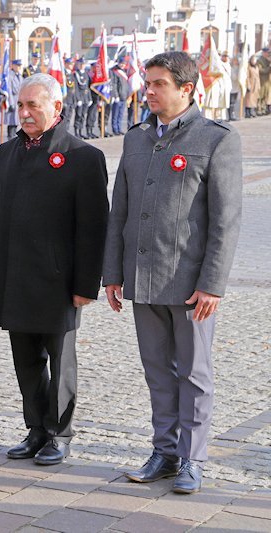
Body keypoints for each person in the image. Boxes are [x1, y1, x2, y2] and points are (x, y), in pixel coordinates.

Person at [103, 51, 242, 495]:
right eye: (148, 83)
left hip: (189, 286)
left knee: (195, 375)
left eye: (159, 84)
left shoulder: (216, 139)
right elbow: (119, 210)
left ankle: (191, 458)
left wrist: (212, 284)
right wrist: (112, 273)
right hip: (143, 279)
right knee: (157, 371)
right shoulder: (137, 138)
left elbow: (225, 221)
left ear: (187, 89)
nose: (149, 91)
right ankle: (163, 451)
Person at [0, 73, 108, 466]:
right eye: (21, 105)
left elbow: (94, 228)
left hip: (59, 281)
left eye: (34, 105)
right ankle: (36, 429)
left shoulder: (84, 156)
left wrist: (86, 284)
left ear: (56, 108)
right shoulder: (7, 153)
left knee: (61, 361)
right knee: (26, 361)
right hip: (14, 275)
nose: (26, 112)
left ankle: (60, 434)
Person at [4, 59, 23, 141]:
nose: (18, 67)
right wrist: (11, 103)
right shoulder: (10, 76)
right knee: (11, 122)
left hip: (18, 102)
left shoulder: (20, 76)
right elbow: (9, 91)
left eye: (20, 66)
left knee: (16, 123)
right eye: (17, 66)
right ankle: (10, 139)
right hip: (13, 101)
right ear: (13, 66)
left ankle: (14, 139)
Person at [110, 58, 130, 135]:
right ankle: (115, 129)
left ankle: (119, 128)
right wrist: (116, 95)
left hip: (124, 96)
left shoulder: (124, 72)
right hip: (118, 96)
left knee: (120, 114)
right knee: (115, 114)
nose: (123, 65)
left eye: (124, 64)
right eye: (121, 63)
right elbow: (114, 84)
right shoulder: (115, 72)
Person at [73, 58, 91, 138]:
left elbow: (87, 87)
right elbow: (76, 88)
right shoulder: (75, 74)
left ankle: (80, 131)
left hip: (85, 98)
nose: (82, 66)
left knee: (83, 115)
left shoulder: (86, 74)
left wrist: (89, 98)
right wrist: (78, 99)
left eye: (83, 64)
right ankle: (76, 131)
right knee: (78, 115)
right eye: (80, 64)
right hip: (79, 98)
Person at [63, 58, 77, 135]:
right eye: (70, 64)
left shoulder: (71, 74)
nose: (72, 65)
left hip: (71, 99)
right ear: (66, 64)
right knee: (64, 118)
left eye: (72, 64)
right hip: (65, 99)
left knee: (69, 117)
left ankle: (66, 133)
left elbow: (73, 89)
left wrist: (75, 99)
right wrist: (63, 100)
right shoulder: (63, 74)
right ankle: (62, 134)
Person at [256, 48, 271, 115]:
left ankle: (263, 109)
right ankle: (259, 109)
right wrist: (269, 68)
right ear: (264, 53)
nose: (268, 54)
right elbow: (261, 71)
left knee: (265, 95)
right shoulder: (259, 60)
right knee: (260, 96)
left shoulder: (267, 60)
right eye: (267, 53)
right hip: (261, 80)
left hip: (267, 81)